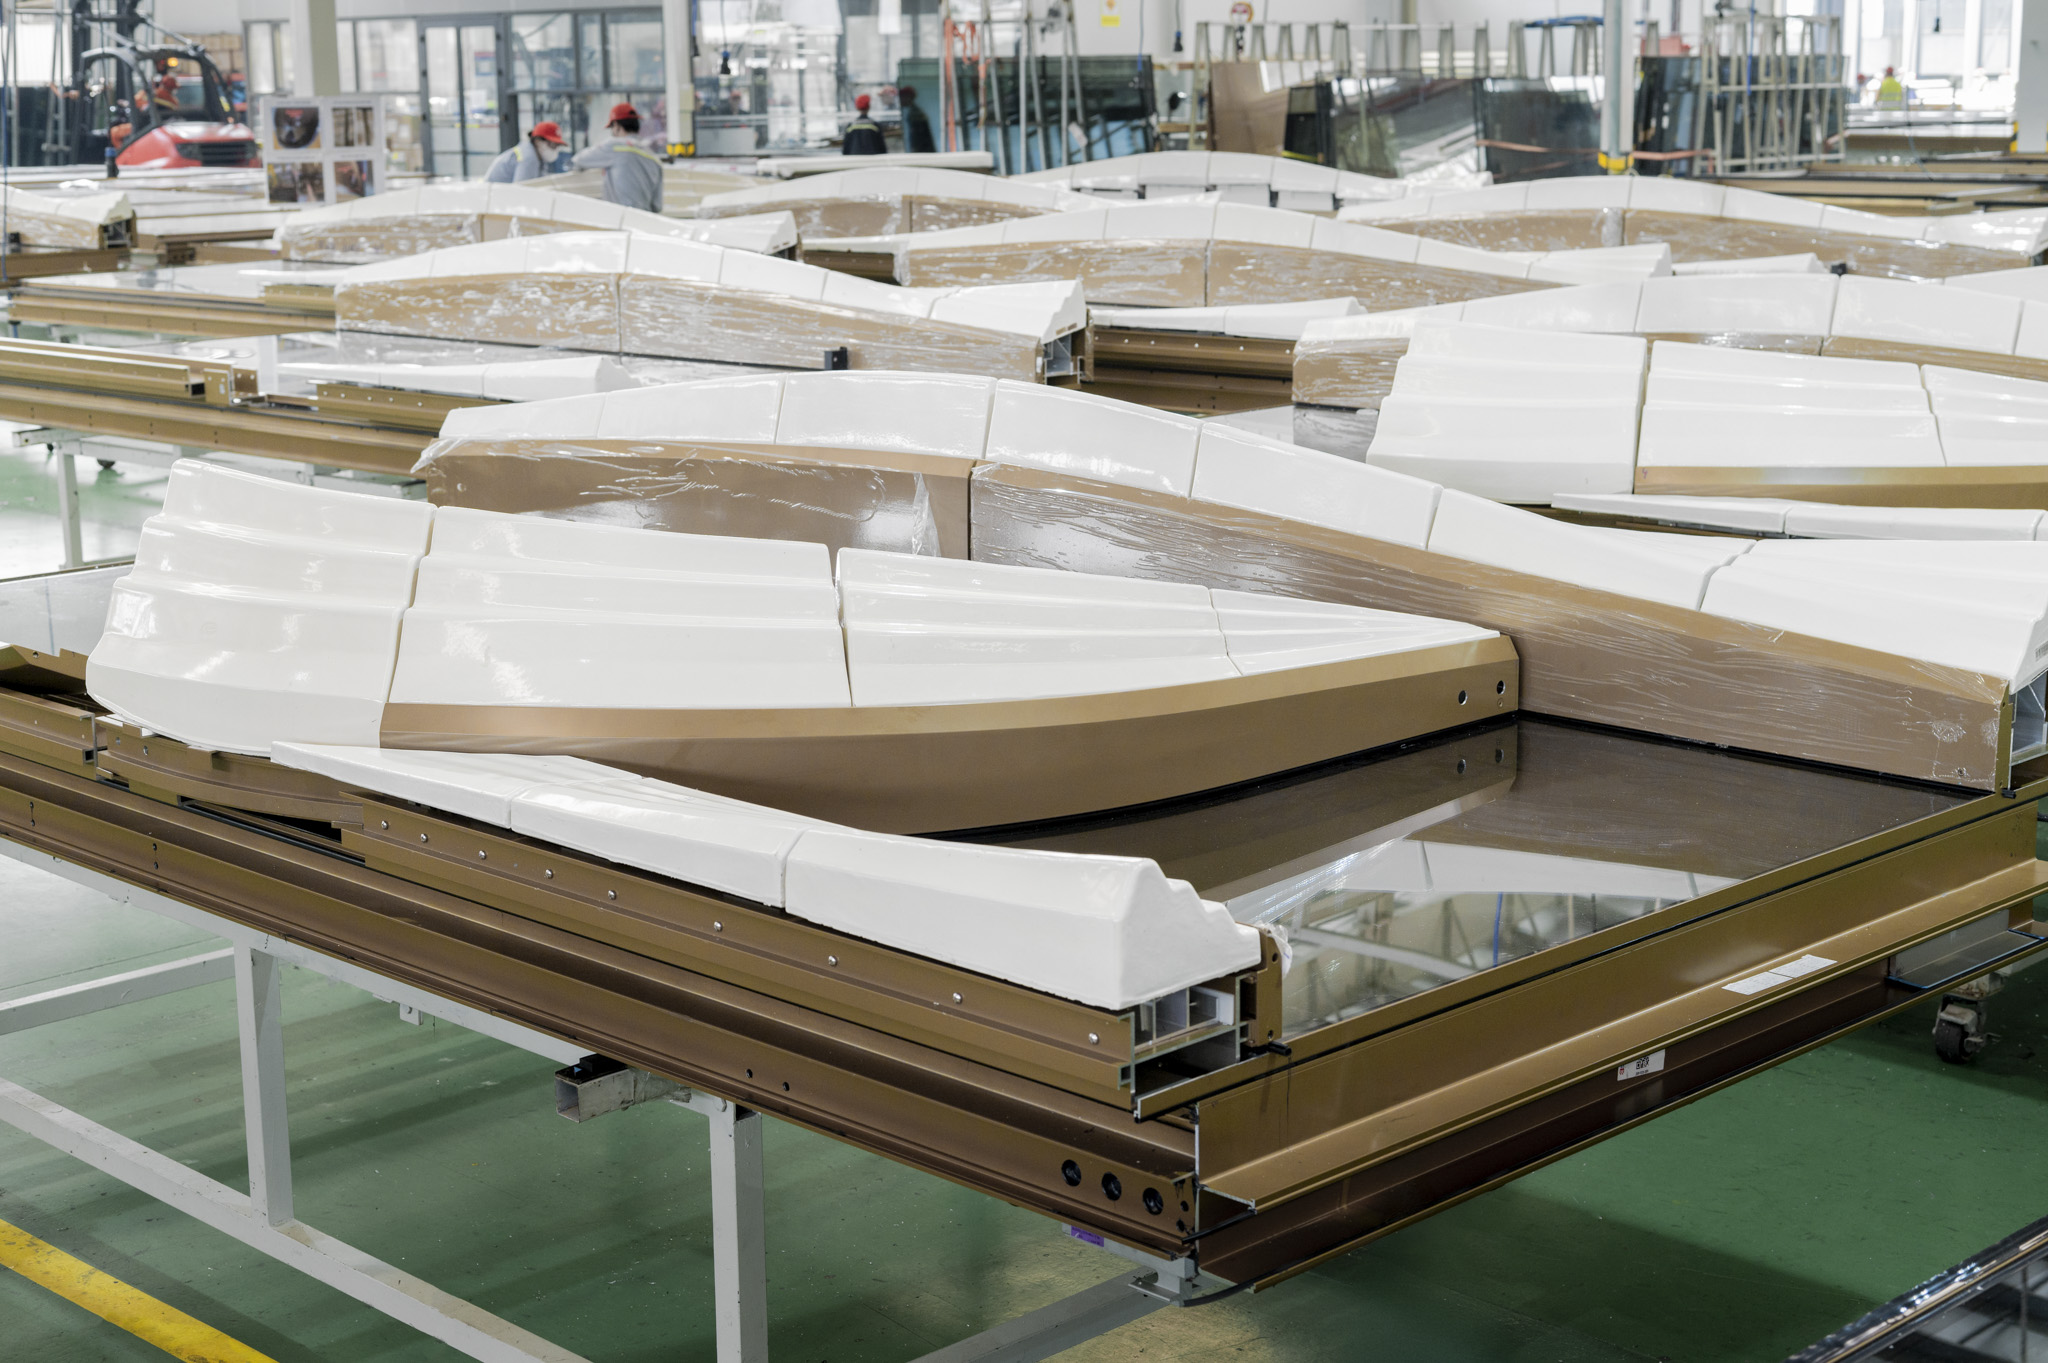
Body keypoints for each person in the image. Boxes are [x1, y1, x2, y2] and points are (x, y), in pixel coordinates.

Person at [572, 102, 664, 212]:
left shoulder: (615, 147)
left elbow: (579, 160)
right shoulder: (653, 157)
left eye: (612, 128)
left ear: (616, 126)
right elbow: (657, 206)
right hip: (645, 219)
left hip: (619, 219)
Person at [485, 120, 568, 183]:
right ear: (538, 141)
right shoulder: (529, 158)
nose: (556, 149)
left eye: (558, 145)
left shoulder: (537, 156)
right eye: (553, 145)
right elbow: (523, 192)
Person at [898, 84, 935, 154]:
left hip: (923, 153)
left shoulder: (915, 114)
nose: (900, 100)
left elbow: (918, 139)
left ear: (908, 97)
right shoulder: (913, 112)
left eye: (902, 97)